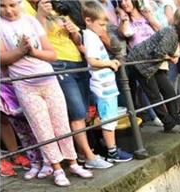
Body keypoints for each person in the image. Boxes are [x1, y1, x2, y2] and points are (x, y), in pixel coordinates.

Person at [1, 0, 90, 187]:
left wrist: (32, 51)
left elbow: (51, 54)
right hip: (24, 84)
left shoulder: (31, 21)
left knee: (61, 123)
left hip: (47, 78)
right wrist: (21, 51)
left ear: (19, 3)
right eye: (2, 6)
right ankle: (57, 168)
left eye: (11, 5)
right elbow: (1, 59)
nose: (8, 10)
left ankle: (73, 162)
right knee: (41, 127)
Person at [23, 0, 114, 172]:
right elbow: (34, 40)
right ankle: (89, 157)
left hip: (77, 61)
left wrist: (74, 32)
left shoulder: (57, 6)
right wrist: (41, 15)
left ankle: (83, 153)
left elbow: (77, 39)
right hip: (57, 64)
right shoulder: (24, 9)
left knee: (85, 111)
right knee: (77, 112)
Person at [127, 11, 180, 133]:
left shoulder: (177, 35)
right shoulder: (171, 33)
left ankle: (176, 121)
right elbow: (159, 52)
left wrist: (173, 56)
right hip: (140, 63)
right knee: (154, 95)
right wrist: (172, 57)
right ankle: (169, 124)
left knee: (169, 91)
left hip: (154, 65)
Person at [82, 1, 134, 163]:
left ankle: (110, 147)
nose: (104, 29)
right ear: (88, 21)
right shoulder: (90, 36)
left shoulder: (93, 36)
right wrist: (110, 63)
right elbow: (92, 61)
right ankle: (112, 151)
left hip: (107, 86)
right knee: (109, 119)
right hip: (102, 87)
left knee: (110, 117)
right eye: (101, 25)